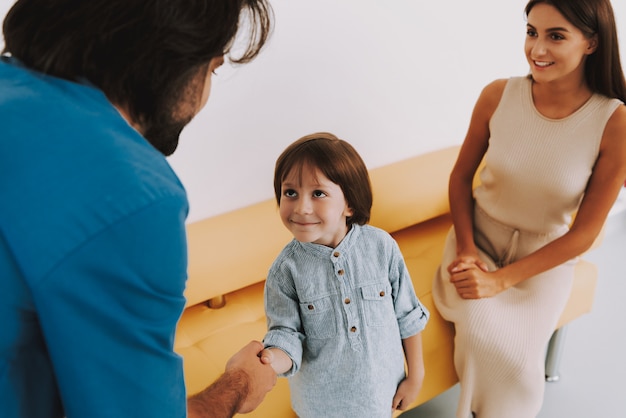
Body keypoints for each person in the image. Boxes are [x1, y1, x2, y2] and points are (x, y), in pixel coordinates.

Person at [0, 1, 276, 417]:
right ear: (170, 57)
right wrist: (238, 387)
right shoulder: (132, 195)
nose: (205, 94)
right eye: (213, 68)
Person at [432, 0, 626, 417]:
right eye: (531, 31)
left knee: (520, 363)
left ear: (592, 42)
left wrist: (502, 281)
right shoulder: (498, 95)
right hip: (477, 240)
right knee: (480, 331)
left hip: (546, 260)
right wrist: (466, 250)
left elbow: (585, 234)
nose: (537, 48)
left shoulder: (614, 121)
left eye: (556, 36)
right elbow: (460, 178)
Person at [259, 133, 430, 417]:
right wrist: (270, 359)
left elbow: (407, 315)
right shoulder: (284, 271)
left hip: (381, 396)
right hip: (319, 406)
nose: (301, 207)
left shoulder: (381, 247)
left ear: (349, 204)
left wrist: (416, 376)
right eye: (290, 193)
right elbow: (286, 336)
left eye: (318, 193)